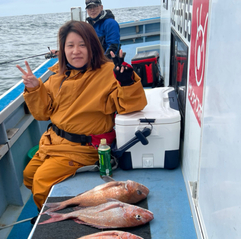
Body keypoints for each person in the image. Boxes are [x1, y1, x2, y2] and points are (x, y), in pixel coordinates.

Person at [16, 20, 147, 210]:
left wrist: (127, 82)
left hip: (84, 148)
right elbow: (43, 114)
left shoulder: (108, 73)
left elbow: (131, 106)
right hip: (53, 142)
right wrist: (35, 89)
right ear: (63, 49)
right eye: (70, 46)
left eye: (82, 45)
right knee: (29, 175)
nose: (75, 51)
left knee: (41, 184)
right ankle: (46, 211)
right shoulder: (57, 76)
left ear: (92, 47)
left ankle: (53, 218)